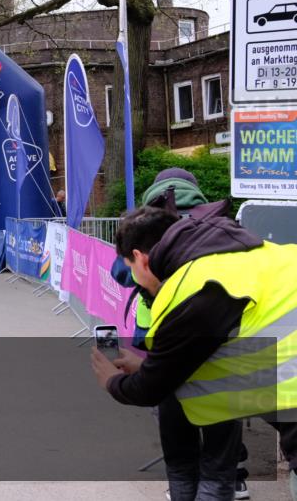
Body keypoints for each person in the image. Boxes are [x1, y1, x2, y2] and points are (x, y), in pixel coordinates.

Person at [91, 204, 297, 501]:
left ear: (140, 259)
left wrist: (111, 380)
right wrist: (146, 365)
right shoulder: (249, 253)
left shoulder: (192, 290)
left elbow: (149, 389)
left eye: (130, 268)